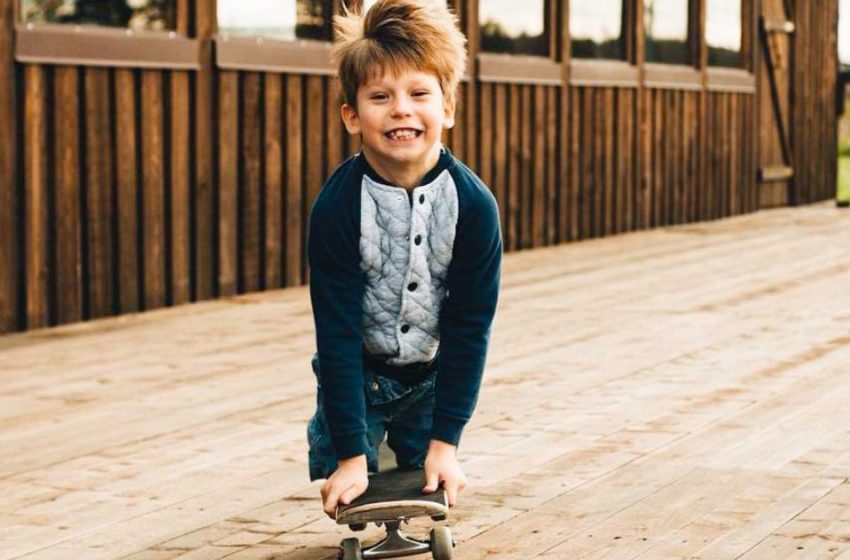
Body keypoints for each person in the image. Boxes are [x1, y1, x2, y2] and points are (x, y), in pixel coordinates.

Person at [306, 0, 502, 519]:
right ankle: (363, 446)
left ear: (448, 108)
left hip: (432, 373)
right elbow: (337, 330)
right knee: (346, 480)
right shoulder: (337, 208)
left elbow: (469, 326)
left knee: (427, 476)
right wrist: (350, 456)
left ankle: (410, 445)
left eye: (419, 93)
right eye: (379, 96)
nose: (401, 109)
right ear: (352, 115)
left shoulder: (473, 207)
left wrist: (447, 443)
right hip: (358, 372)